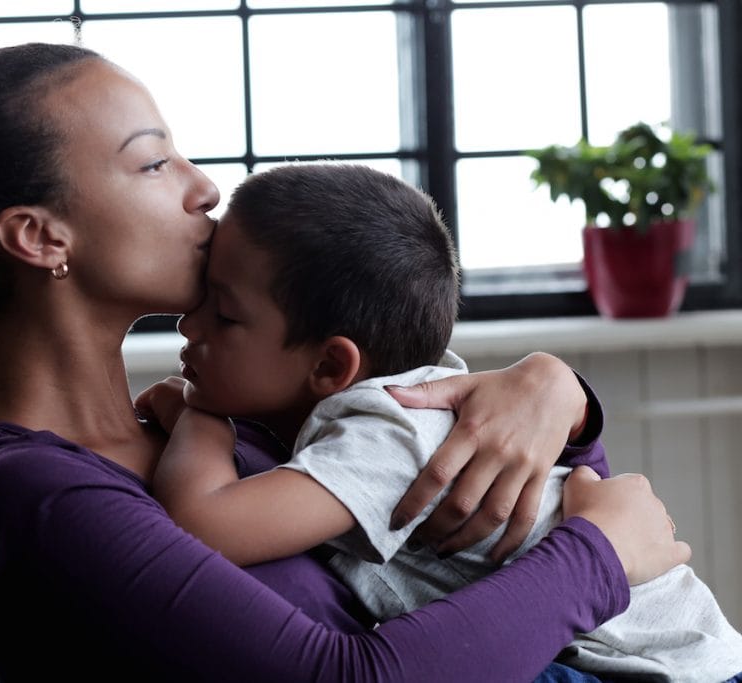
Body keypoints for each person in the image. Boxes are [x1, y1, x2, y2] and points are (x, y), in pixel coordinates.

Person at [0, 42, 687, 681]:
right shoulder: (32, 493)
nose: (203, 188)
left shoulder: (229, 421)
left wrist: (554, 392)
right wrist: (598, 556)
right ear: (42, 237)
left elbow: (494, 523)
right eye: (153, 161)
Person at [136, 163, 742, 683]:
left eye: (225, 315)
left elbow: (203, 528)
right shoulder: (387, 406)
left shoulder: (387, 430)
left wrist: (198, 416)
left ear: (329, 363)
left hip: (661, 669)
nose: (191, 328)